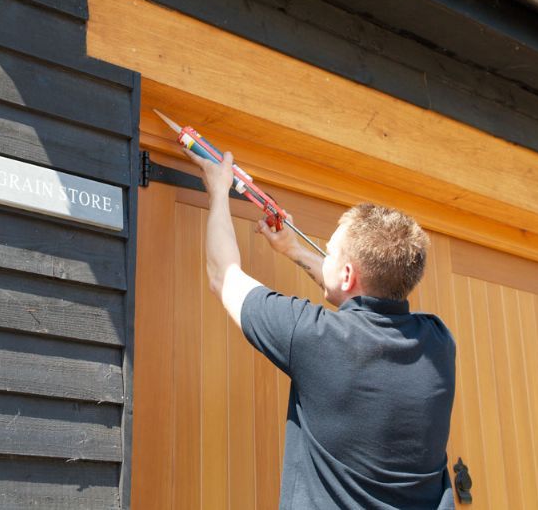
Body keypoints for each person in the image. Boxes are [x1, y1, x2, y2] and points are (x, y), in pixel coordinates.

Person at [184, 148, 456, 510]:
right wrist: (294, 251)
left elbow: (223, 275)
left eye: (330, 252)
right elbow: (358, 295)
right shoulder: (438, 341)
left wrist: (218, 191)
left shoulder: (313, 336)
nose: (325, 255)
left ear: (347, 274)